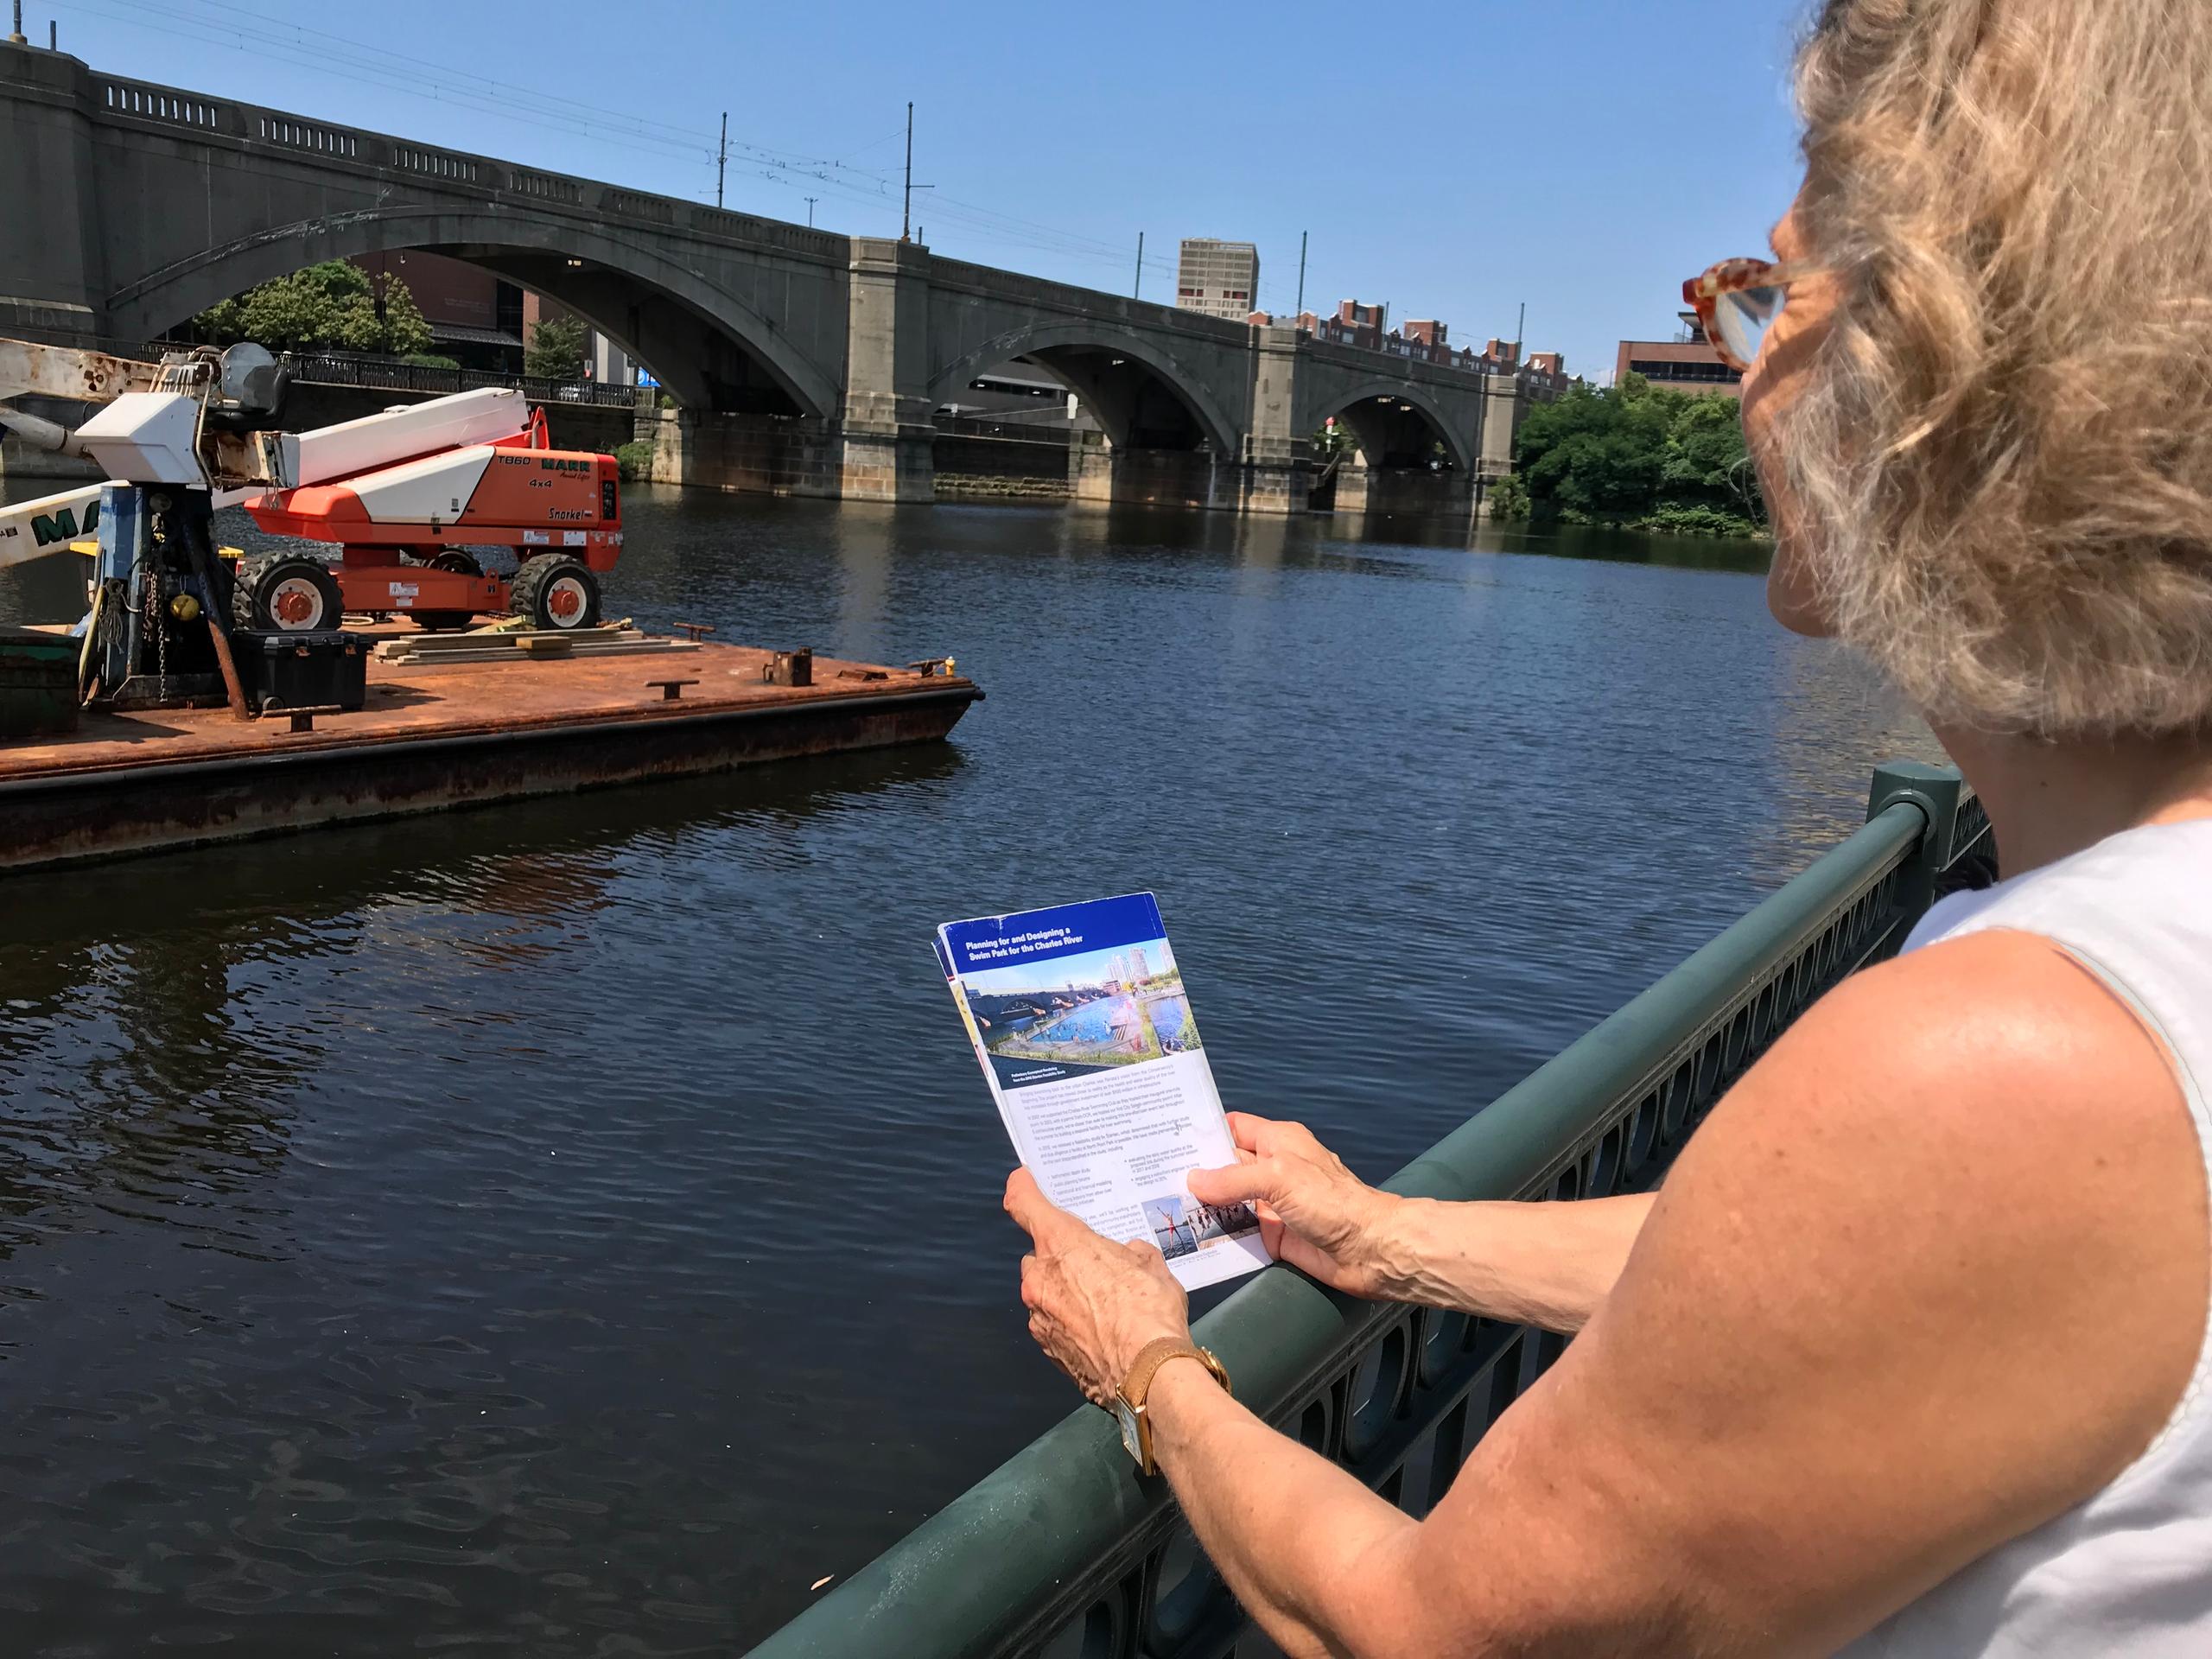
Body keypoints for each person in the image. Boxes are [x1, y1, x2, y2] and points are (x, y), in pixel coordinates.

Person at [1006, 1, 2212, 1652]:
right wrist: (1385, 1236)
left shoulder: (2012, 1057)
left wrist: (1146, 1364)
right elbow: (1807, 1279)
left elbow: (1439, 1628)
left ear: (1938, 371)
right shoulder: (2137, 955)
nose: (1742, 374)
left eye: (1770, 297)